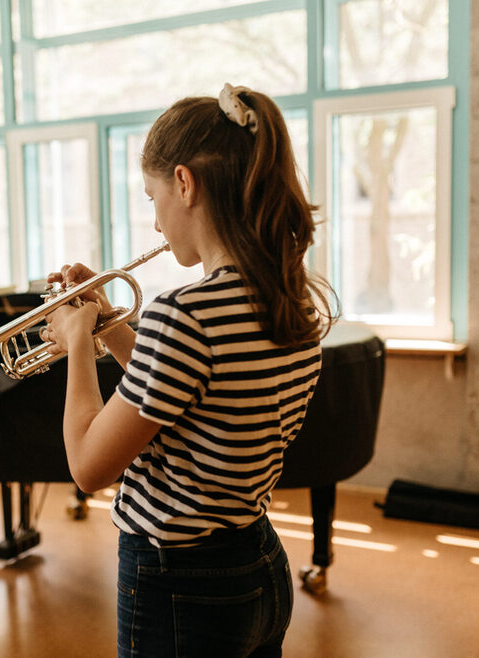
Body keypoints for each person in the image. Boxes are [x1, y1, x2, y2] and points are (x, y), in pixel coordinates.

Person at [43, 83, 336, 657]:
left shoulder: (185, 314)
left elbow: (87, 467)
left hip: (177, 581)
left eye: (152, 199)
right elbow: (187, 401)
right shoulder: (288, 301)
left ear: (185, 183)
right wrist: (108, 324)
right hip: (256, 564)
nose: (155, 225)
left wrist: (78, 342)